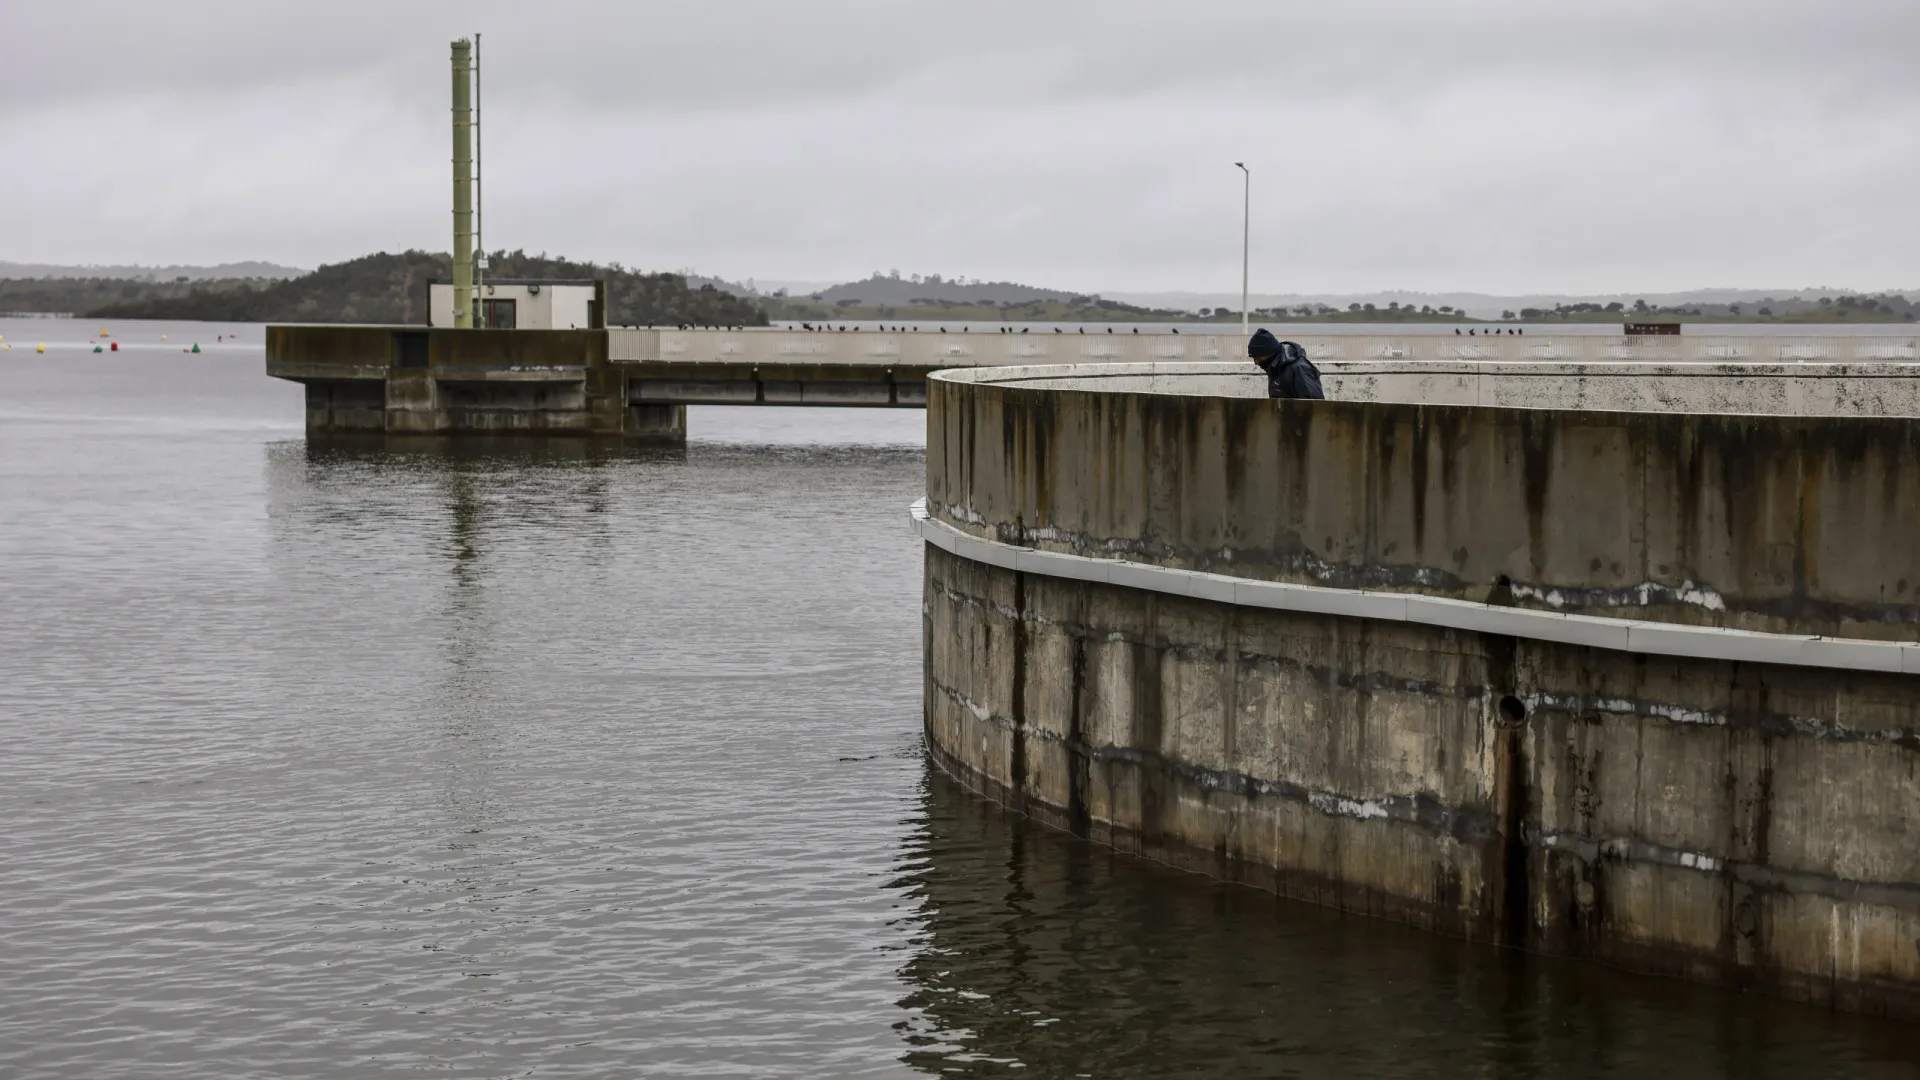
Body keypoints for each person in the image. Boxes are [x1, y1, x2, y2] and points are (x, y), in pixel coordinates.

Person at [1247, 328, 1324, 399]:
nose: (1256, 362)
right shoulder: (1274, 368)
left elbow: (1314, 404)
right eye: (1254, 358)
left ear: (1271, 353)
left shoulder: (1299, 368)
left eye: (1259, 358)